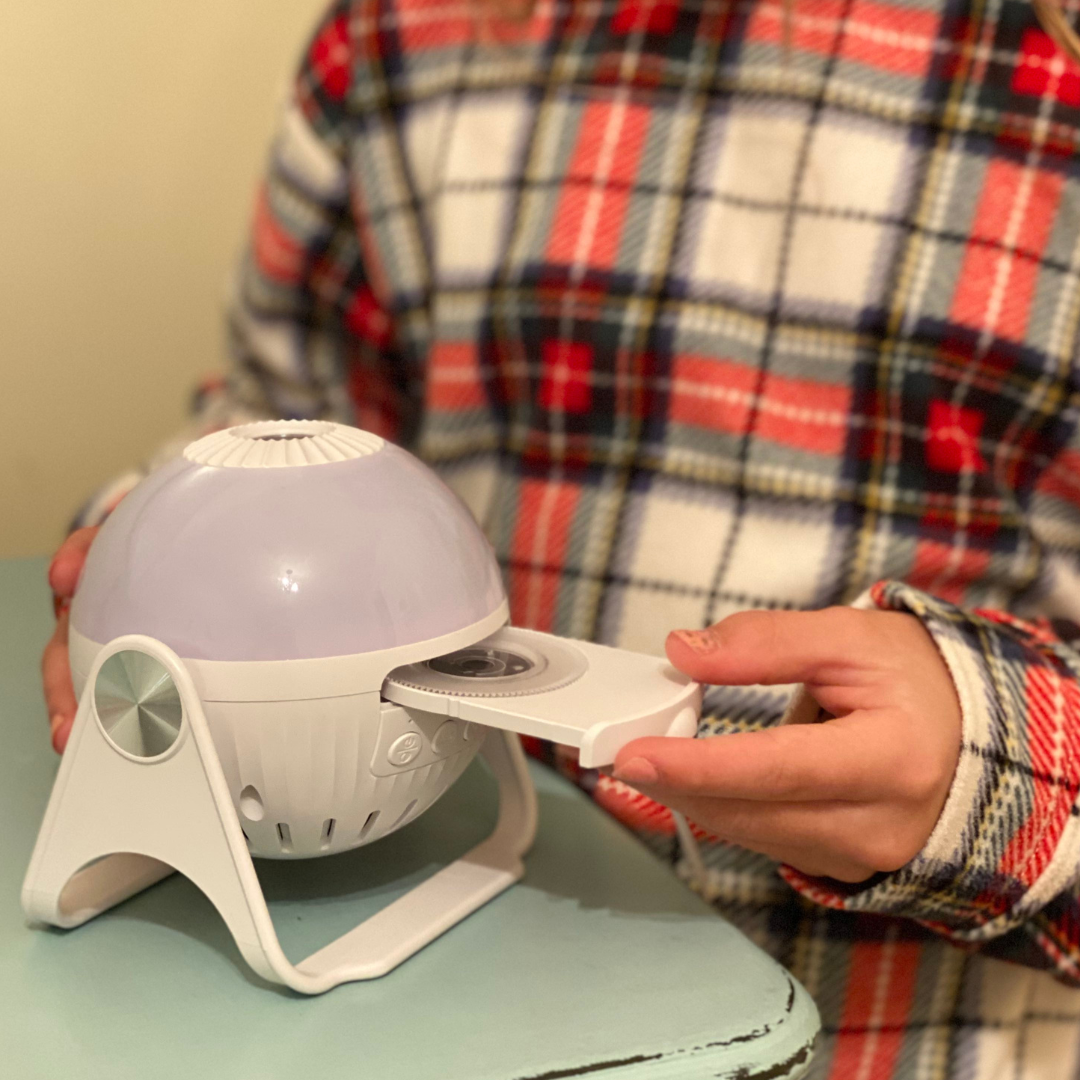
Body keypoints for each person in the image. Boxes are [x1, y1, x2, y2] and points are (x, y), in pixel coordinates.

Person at [40, 0, 1080, 1074]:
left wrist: (1000, 764)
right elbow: (285, 416)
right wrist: (134, 551)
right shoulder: (398, 36)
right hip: (414, 994)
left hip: (901, 1029)